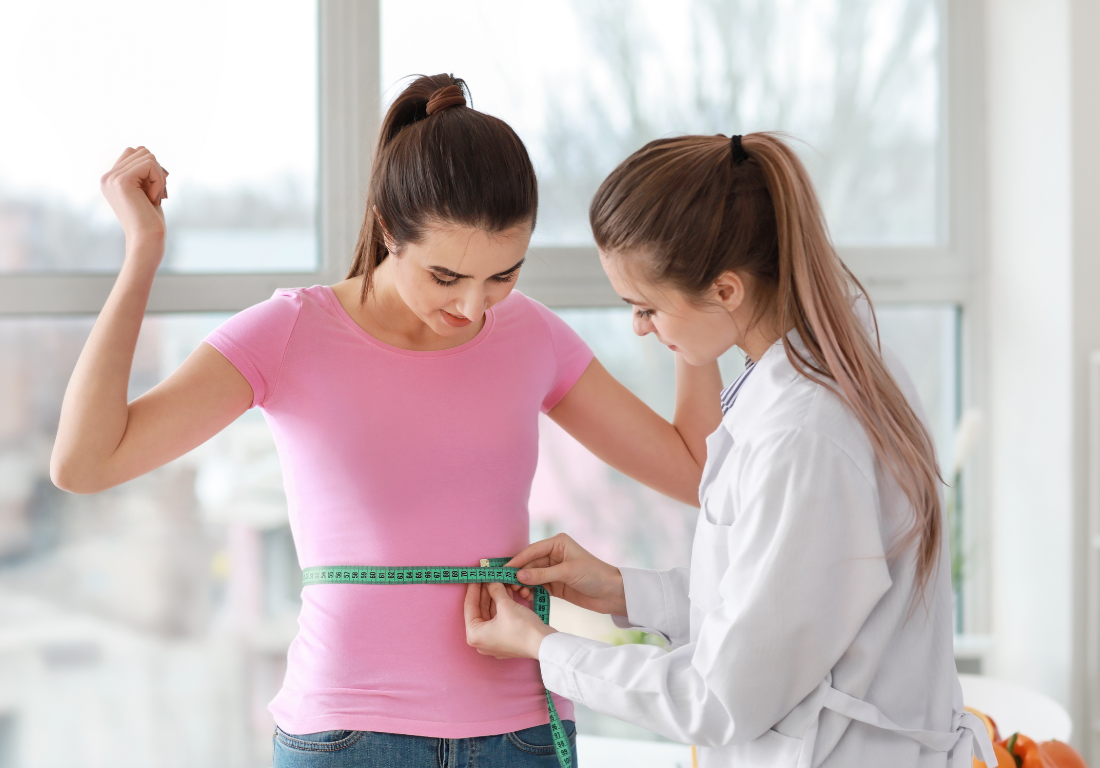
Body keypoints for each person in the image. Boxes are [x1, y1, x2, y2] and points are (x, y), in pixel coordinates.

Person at [50, 74, 722, 767]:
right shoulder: (291, 333)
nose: (473, 308)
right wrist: (143, 254)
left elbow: (697, 469)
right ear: (386, 228)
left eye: (503, 275)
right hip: (349, 736)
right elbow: (86, 461)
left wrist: (689, 298)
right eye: (445, 277)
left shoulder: (532, 335)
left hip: (519, 734)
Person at [463, 133, 995, 767]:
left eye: (646, 307)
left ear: (725, 291)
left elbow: (720, 696)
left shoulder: (804, 436)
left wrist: (544, 647)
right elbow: (779, 608)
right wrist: (620, 590)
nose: (639, 328)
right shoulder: (830, 369)